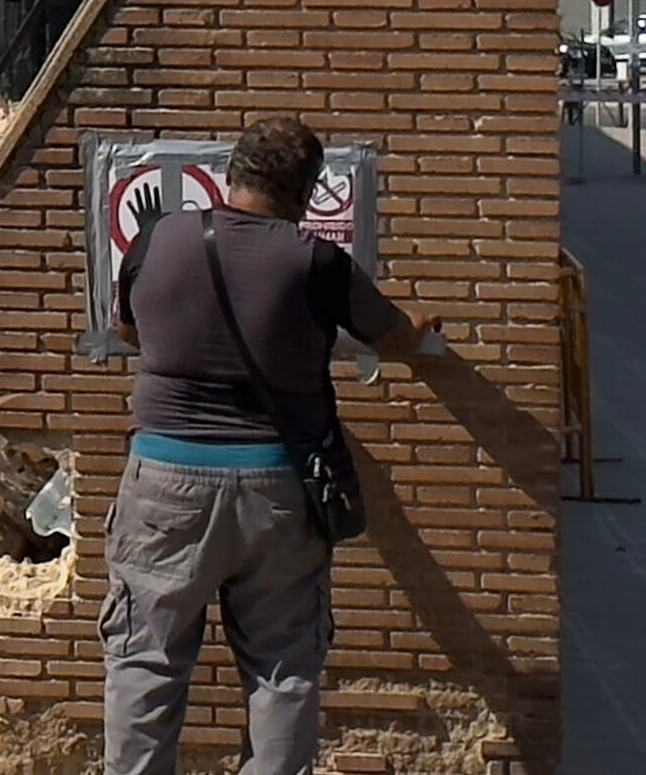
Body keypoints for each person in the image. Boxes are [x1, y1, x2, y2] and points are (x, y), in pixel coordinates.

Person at [103, 116, 444, 775]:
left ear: (232, 173)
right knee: (283, 672)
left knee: (146, 662)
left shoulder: (157, 240)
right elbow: (393, 338)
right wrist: (421, 324)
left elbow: (129, 332)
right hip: (278, 487)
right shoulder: (316, 263)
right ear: (308, 192)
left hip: (163, 483)